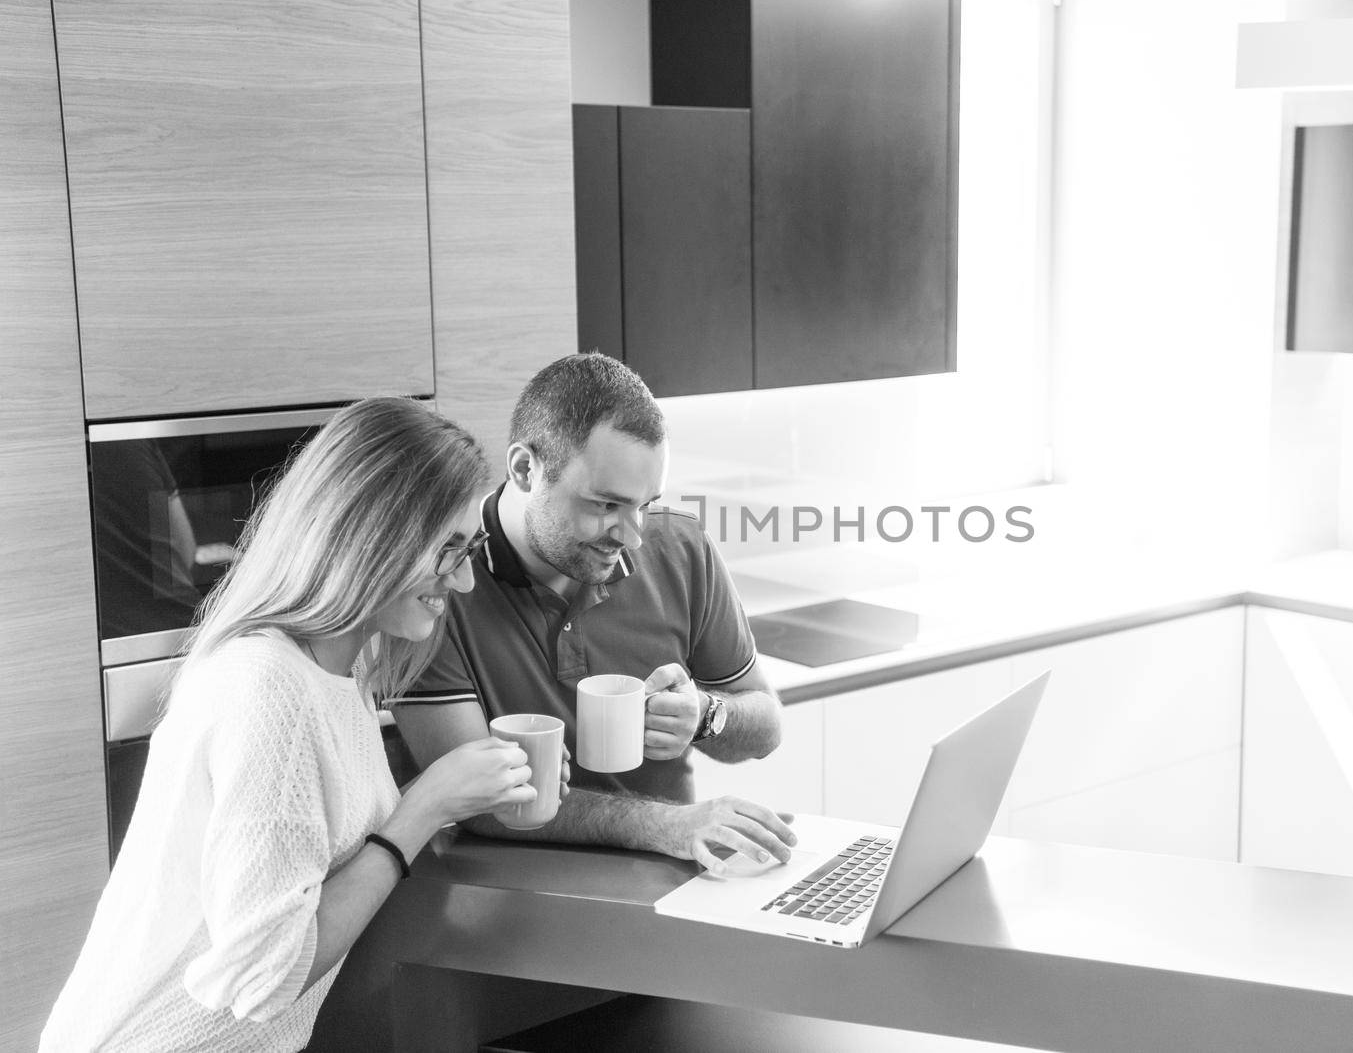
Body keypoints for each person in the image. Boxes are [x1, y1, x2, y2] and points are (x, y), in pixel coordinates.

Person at [41, 398, 561, 1053]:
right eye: (447, 551)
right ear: (373, 534)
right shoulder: (271, 692)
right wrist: (423, 808)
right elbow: (266, 976)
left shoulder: (334, 676)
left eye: (470, 549)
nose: (461, 581)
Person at [392, 353, 799, 873]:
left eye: (645, 505)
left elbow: (765, 725)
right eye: (606, 505)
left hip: (672, 872)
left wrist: (706, 716)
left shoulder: (681, 546)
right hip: (501, 894)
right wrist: (661, 826)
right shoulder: (438, 581)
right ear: (524, 469)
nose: (632, 536)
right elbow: (480, 803)